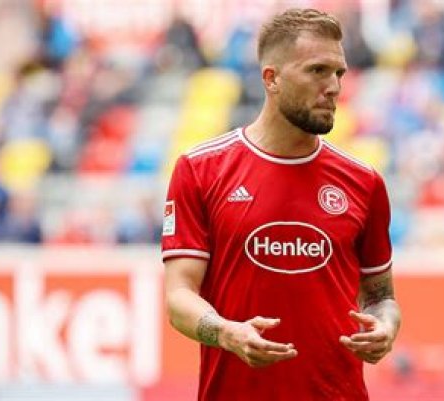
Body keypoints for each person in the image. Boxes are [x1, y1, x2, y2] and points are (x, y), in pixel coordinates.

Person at [161, 8, 401, 401]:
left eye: (338, 73)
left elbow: (381, 297)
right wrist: (226, 332)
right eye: (317, 71)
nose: (334, 87)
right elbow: (178, 298)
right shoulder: (201, 170)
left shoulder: (364, 182)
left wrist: (385, 326)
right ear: (271, 78)